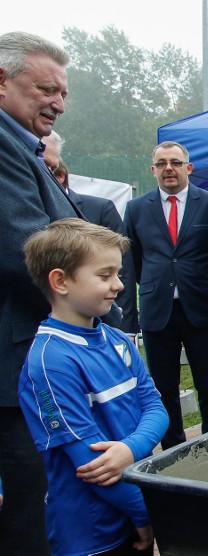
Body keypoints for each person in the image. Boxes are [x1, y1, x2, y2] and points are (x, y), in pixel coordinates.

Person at [19, 218, 168, 556]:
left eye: (117, 273)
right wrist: (144, 516)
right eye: (104, 275)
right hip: (92, 533)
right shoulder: (51, 361)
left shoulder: (116, 340)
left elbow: (156, 408)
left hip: (135, 506)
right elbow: (92, 465)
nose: (118, 285)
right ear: (60, 281)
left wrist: (130, 449)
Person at [0, 30, 81, 554]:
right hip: (18, 369)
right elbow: (27, 252)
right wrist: (95, 309)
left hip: (29, 363)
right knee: (33, 512)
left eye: (63, 94)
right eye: (44, 89)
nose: (56, 102)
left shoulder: (22, 146)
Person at [124, 141, 208, 449]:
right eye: (161, 164)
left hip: (199, 307)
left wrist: (201, 280)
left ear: (189, 167)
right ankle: (172, 448)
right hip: (157, 310)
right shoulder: (136, 209)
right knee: (162, 387)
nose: (168, 169)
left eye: (175, 162)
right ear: (153, 170)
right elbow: (133, 258)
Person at [44, 131, 139, 333]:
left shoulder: (99, 209)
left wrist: (123, 324)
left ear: (59, 174)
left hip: (99, 324)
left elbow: (123, 271)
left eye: (48, 168)